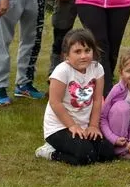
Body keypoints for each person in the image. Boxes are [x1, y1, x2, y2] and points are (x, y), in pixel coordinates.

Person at [35, 28, 116, 165]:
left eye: (87, 50)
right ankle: (49, 152)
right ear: (67, 55)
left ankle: (80, 143)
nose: (83, 56)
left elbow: (97, 100)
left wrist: (93, 126)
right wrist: (72, 125)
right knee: (86, 156)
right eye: (77, 52)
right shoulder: (61, 71)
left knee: (107, 153)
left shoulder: (97, 68)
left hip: (84, 125)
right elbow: (55, 103)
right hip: (59, 127)